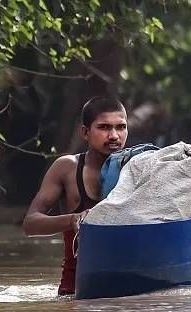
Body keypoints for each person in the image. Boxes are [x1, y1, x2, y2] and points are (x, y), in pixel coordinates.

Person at [23, 95, 129, 295]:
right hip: (75, 294)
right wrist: (73, 219)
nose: (114, 136)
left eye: (121, 127)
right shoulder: (67, 168)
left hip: (125, 291)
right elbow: (30, 224)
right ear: (85, 132)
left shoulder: (138, 168)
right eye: (104, 127)